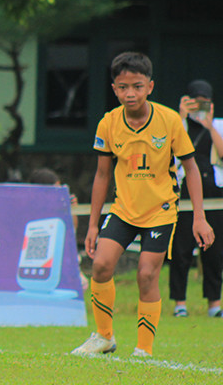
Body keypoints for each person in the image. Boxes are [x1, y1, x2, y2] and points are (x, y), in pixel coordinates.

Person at [71, 52, 214, 359]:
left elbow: (190, 169)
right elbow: (101, 175)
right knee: (100, 265)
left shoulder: (169, 120)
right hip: (123, 210)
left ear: (150, 86)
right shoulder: (108, 123)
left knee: (147, 274)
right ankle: (104, 337)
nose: (130, 93)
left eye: (137, 86)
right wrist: (93, 224)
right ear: (114, 89)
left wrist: (199, 218)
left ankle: (143, 350)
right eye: (123, 87)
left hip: (160, 211)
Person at [169, 79, 223, 318]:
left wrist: (210, 125)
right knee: (180, 250)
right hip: (184, 193)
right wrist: (181, 118)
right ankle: (179, 303)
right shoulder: (176, 125)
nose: (199, 107)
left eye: (204, 103)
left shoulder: (218, 126)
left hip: (214, 193)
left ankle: (214, 303)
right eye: (195, 102)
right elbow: (174, 153)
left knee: (214, 251)